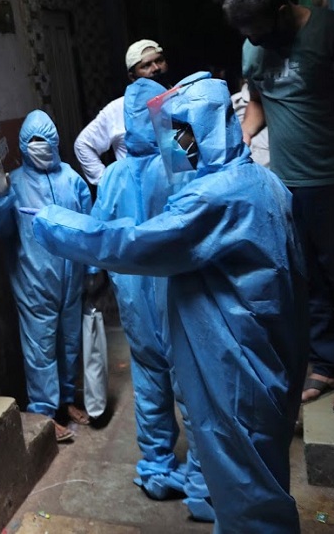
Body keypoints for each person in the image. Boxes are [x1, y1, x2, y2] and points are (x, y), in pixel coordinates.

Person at [30, 75, 307, 532]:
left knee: (246, 488)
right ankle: (200, 489)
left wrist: (51, 223)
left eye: (184, 135)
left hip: (235, 363)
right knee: (247, 480)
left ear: (207, 128)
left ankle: (177, 476)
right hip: (263, 355)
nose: (178, 149)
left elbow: (134, 242)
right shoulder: (263, 181)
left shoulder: (218, 196)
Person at [223, 0, 334, 415]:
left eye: (258, 29)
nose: (254, 40)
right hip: (286, 180)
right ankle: (326, 364)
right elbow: (257, 100)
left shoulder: (330, 31)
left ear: (282, 11)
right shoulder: (252, 48)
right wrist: (241, 137)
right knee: (307, 276)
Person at [91, 77, 213, 521]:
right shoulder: (181, 163)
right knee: (193, 387)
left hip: (132, 301)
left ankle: (158, 469)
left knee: (149, 383)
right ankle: (203, 486)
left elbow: (98, 235)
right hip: (179, 297)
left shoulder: (114, 177)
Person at [0, 110, 91, 441]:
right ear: (23, 146)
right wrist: (0, 197)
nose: (40, 147)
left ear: (56, 142)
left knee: (69, 342)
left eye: (45, 141)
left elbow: (90, 227)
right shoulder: (14, 183)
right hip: (34, 281)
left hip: (71, 278)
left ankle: (66, 400)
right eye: (33, 142)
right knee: (40, 349)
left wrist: (94, 269)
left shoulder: (72, 179)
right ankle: (44, 413)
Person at [73, 39, 170, 186]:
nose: (156, 68)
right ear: (132, 76)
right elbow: (83, 144)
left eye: (159, 60)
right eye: (146, 65)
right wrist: (109, 185)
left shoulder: (181, 97)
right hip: (136, 194)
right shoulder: (118, 108)